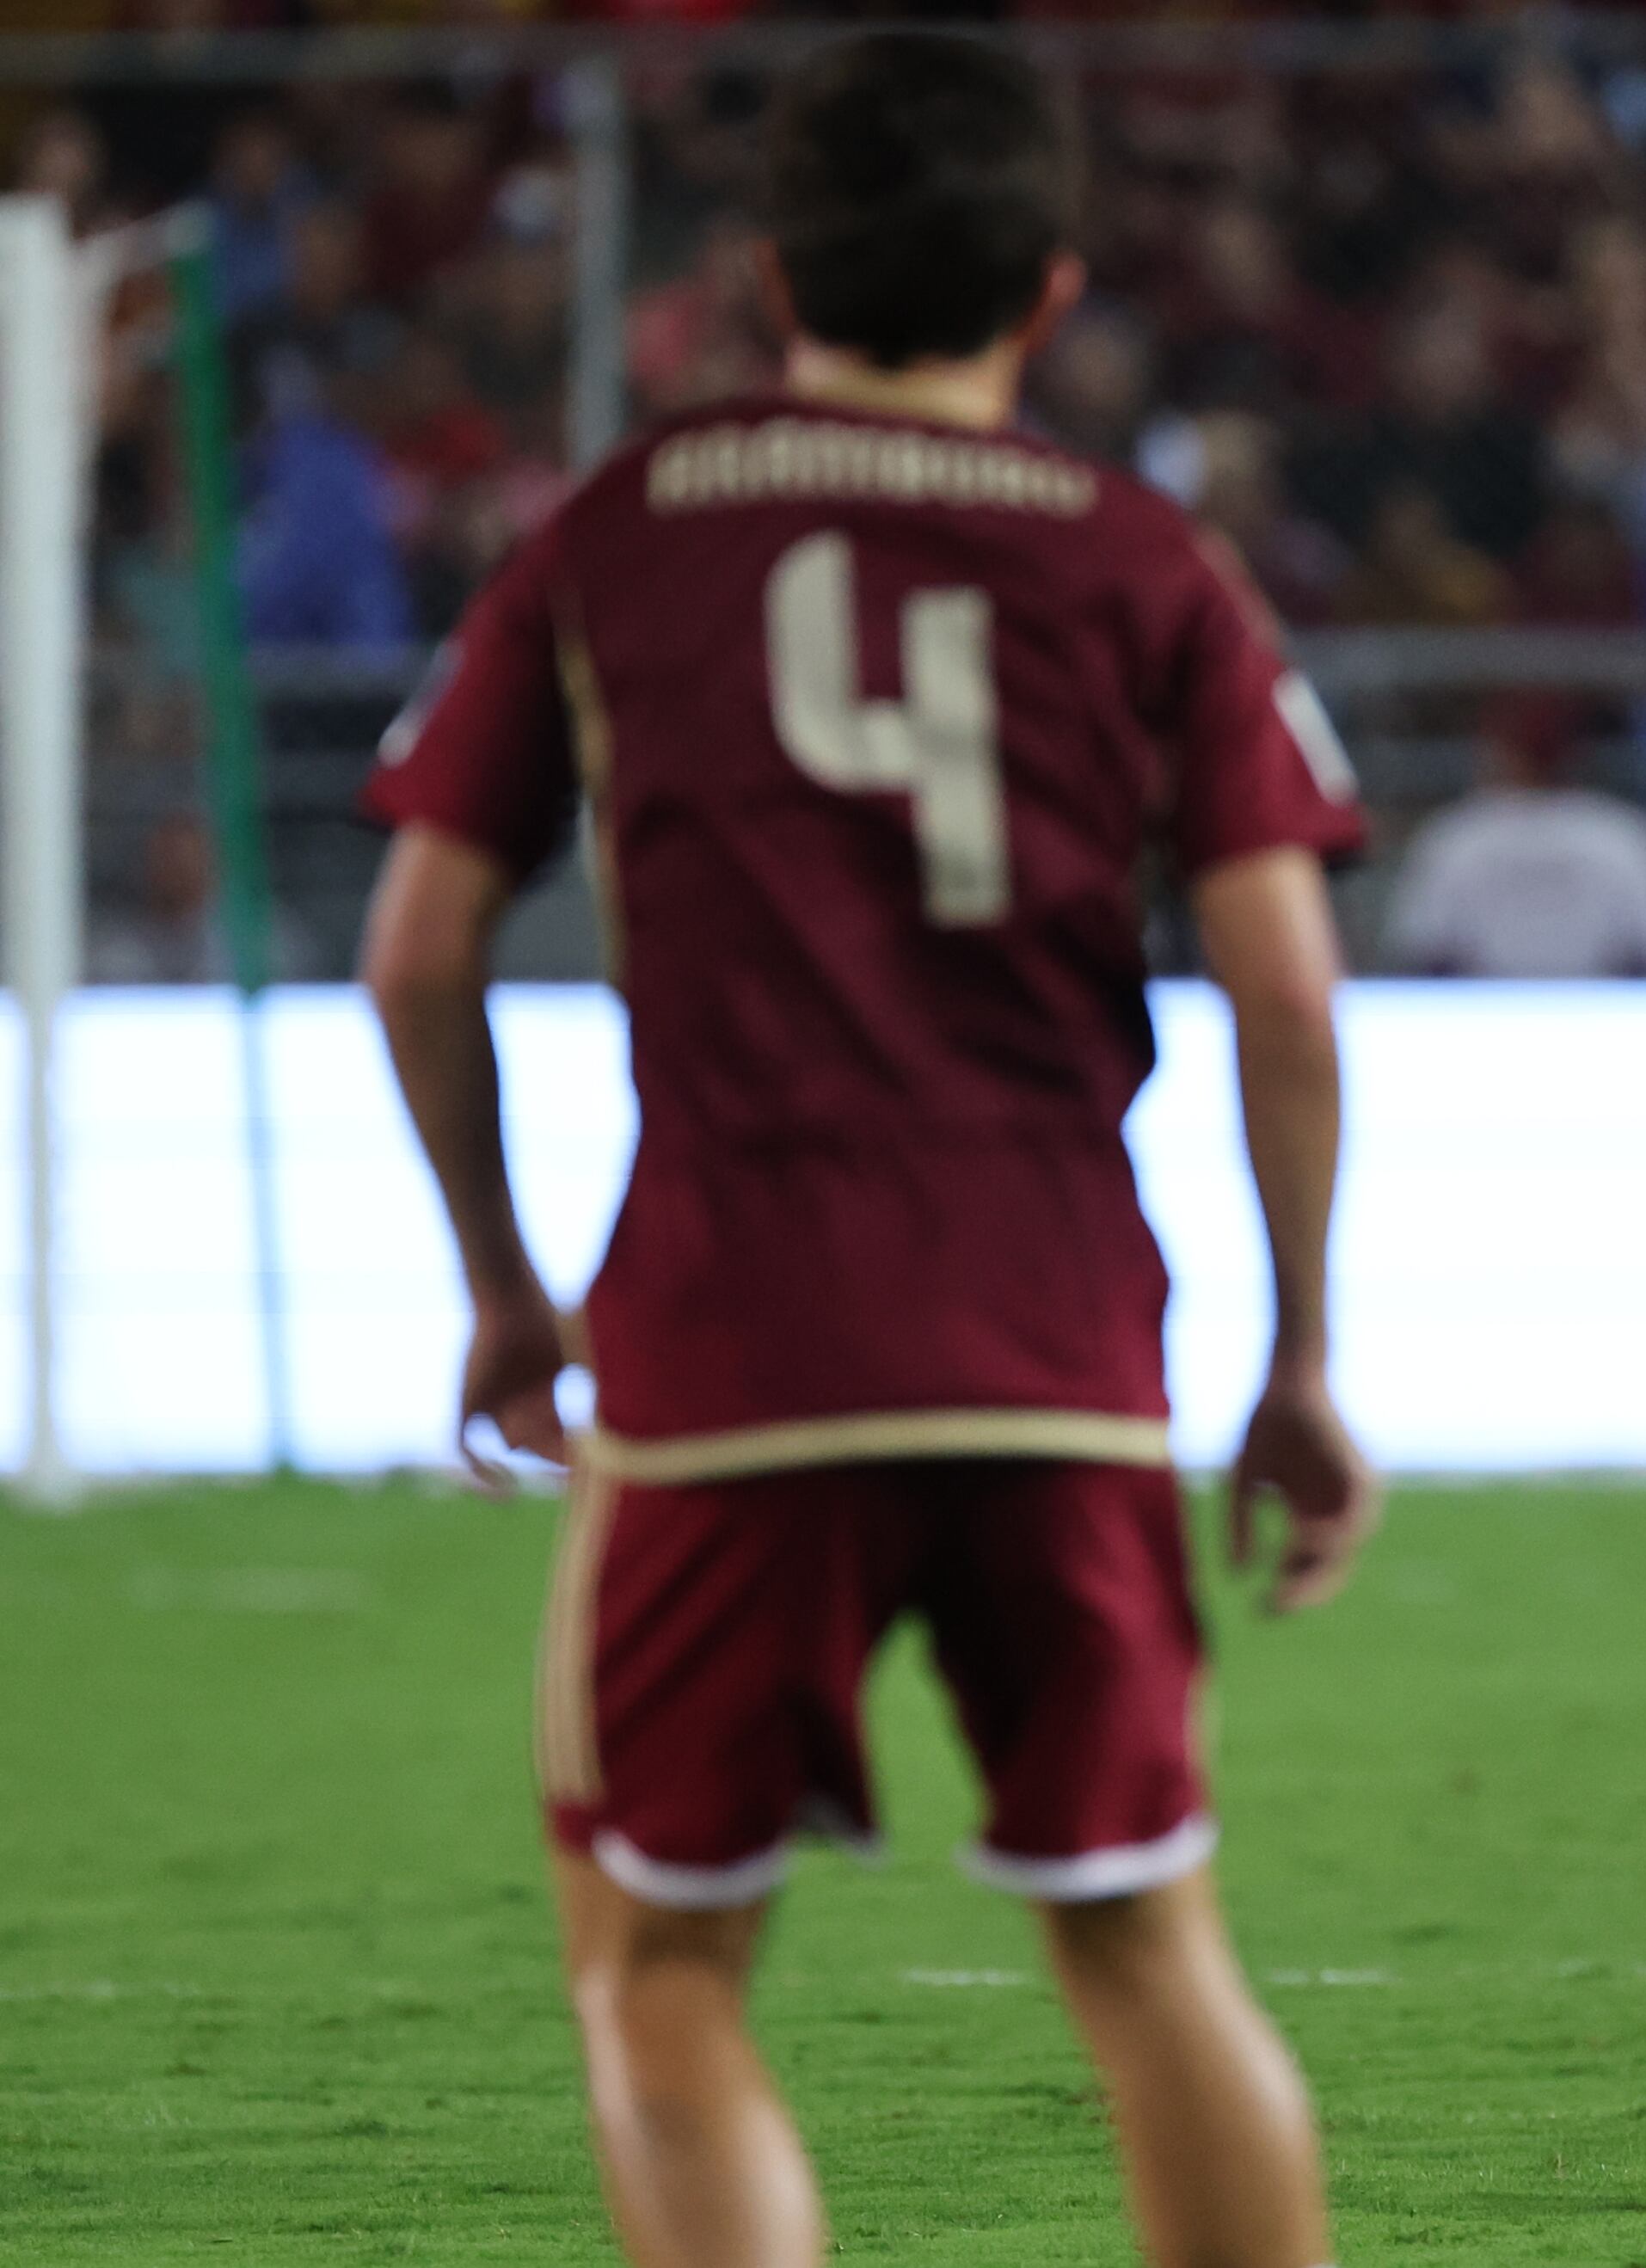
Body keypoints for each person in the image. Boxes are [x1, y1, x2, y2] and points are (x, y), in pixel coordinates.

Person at [356, 36, 1379, 2268]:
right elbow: (1290, 994)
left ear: (768, 272)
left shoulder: (617, 531)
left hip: (728, 1352)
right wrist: (1300, 1356)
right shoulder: (1145, 558)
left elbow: (419, 950)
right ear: (1050, 285)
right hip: (1054, 1343)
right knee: (1145, 1941)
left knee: (658, 1967)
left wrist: (504, 1286)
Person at [1383, 699, 1646, 977]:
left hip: (1501, 1017)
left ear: (1502, 752)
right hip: (1582, 1015)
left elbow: (1425, 952)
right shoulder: (1625, 835)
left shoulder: (1458, 835)